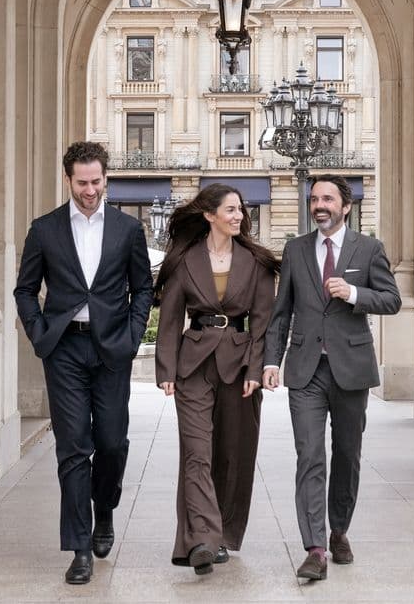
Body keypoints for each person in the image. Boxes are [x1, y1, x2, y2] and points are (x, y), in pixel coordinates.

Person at [14, 141, 153, 585]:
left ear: (105, 178)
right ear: (68, 180)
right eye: (82, 183)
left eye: (96, 182)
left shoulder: (128, 230)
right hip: (65, 350)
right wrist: (39, 332)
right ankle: (79, 548)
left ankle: (104, 509)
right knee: (73, 448)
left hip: (112, 349)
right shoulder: (44, 229)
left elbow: (143, 289)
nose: (90, 190)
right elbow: (24, 290)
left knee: (111, 442)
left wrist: (132, 336)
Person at [262, 174, 401, 581]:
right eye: (314, 199)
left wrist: (354, 293)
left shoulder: (369, 248)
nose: (319, 205)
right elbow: (281, 311)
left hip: (351, 370)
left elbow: (391, 300)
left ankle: (339, 530)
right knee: (309, 455)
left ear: (346, 206)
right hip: (305, 370)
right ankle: (315, 548)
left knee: (347, 455)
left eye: (327, 199)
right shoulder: (295, 249)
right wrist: (271, 362)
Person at [154, 184, 278, 575]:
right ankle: (202, 540)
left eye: (240, 209)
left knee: (231, 453)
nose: (239, 216)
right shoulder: (184, 259)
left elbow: (262, 323)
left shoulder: (256, 262)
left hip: (239, 368)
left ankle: (222, 533)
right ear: (210, 215)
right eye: (231, 210)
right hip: (192, 365)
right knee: (197, 453)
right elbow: (170, 318)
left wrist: (256, 370)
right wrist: (166, 370)